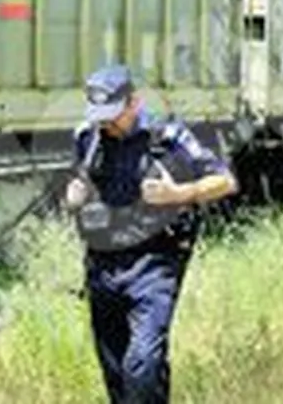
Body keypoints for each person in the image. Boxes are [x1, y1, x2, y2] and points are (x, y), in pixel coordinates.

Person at [63, 64, 239, 403]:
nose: (105, 124)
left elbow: (225, 181)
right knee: (116, 374)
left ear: (134, 103)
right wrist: (73, 196)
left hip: (154, 263)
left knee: (142, 365)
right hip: (102, 264)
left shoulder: (168, 136)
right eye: (99, 115)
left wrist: (179, 194)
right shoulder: (86, 136)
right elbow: (78, 181)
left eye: (112, 115)